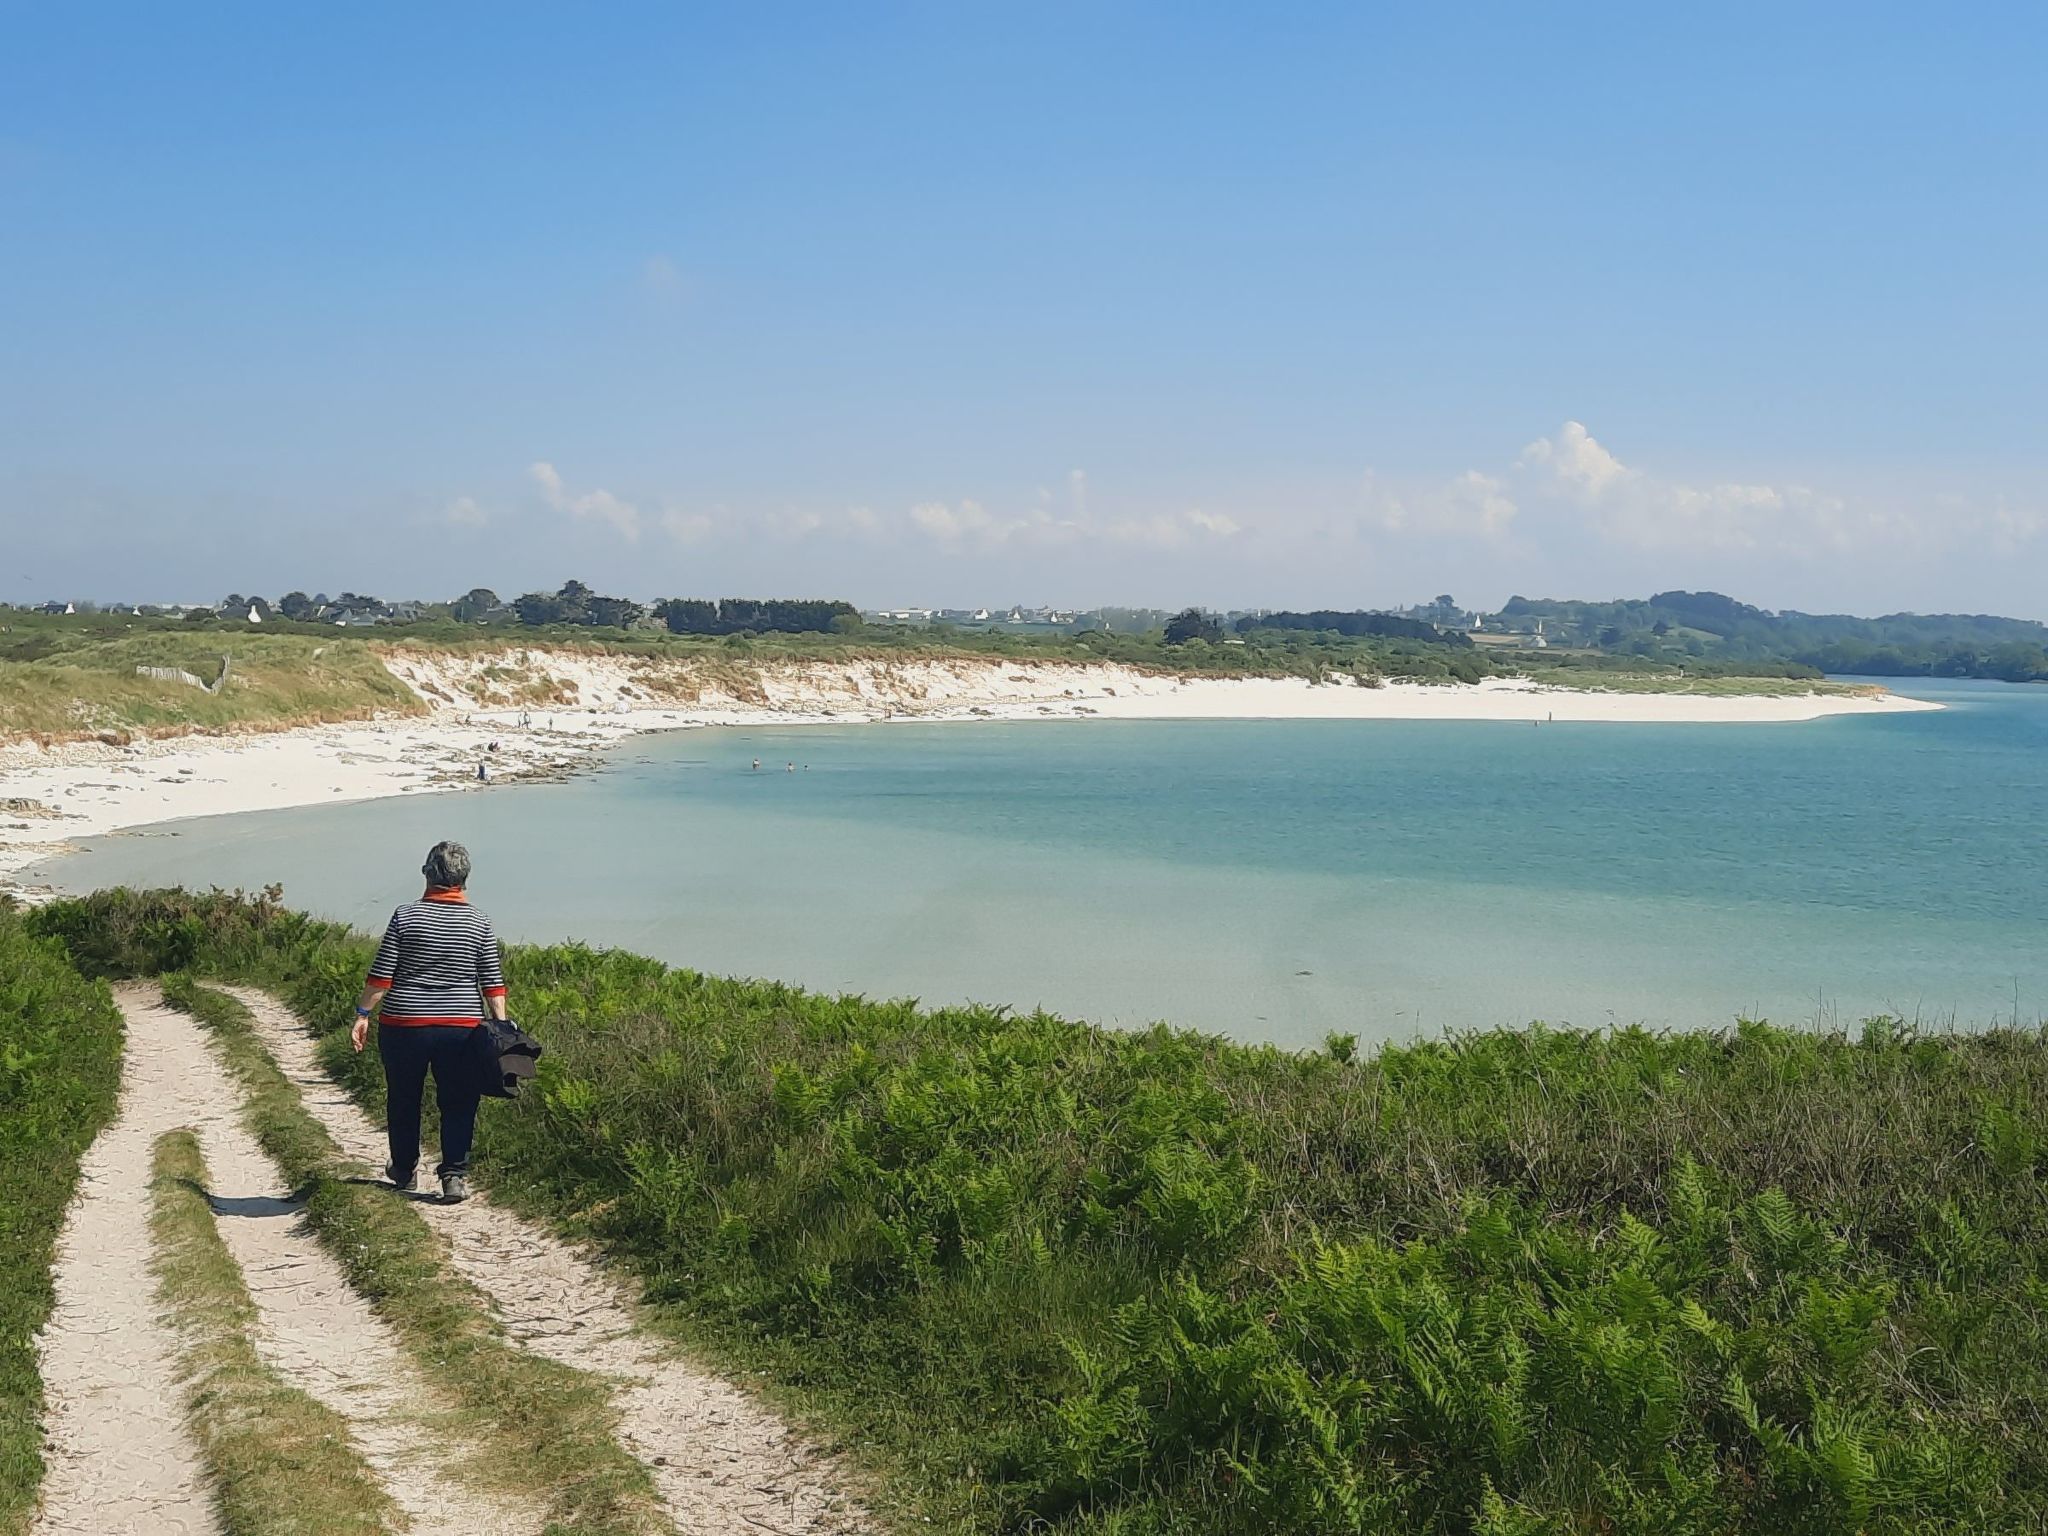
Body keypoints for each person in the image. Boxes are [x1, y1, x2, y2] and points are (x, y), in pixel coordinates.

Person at [351, 841, 508, 1203]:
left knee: (404, 1098)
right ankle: (453, 1174)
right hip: (462, 1028)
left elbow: (381, 977)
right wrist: (501, 1027)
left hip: (405, 1024)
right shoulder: (480, 921)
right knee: (459, 1100)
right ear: (464, 879)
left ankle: (404, 1170)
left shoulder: (404, 916)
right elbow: (492, 982)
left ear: (427, 873)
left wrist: (362, 1014)